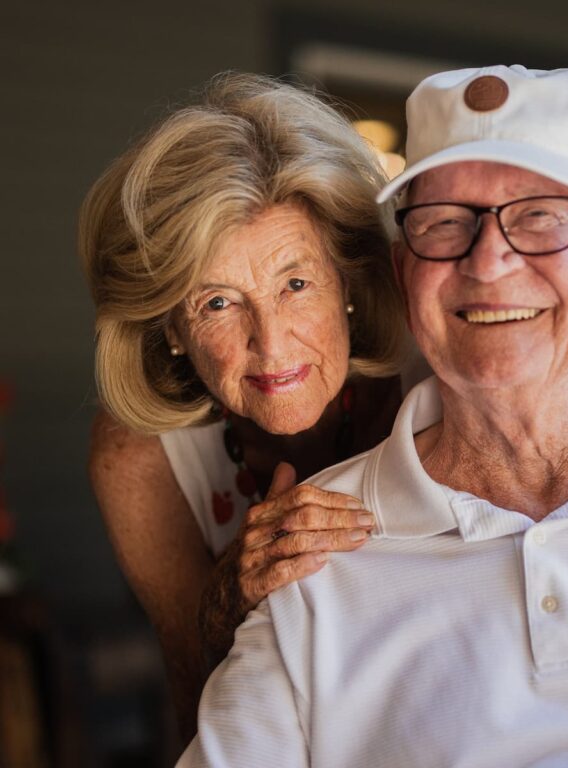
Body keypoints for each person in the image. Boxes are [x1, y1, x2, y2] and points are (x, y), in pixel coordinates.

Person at [180, 64, 568, 767]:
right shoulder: (311, 556)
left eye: (541, 215)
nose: (488, 262)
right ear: (404, 276)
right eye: (444, 223)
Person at [80, 72, 418, 743]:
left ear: (348, 281)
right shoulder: (137, 455)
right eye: (217, 303)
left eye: (295, 283)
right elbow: (193, 699)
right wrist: (225, 599)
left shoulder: (428, 387)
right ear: (171, 329)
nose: (271, 344)